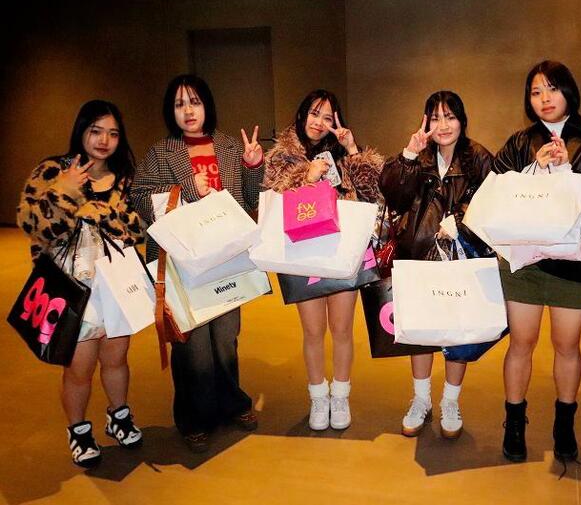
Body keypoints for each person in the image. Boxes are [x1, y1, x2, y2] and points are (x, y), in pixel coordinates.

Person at [493, 60, 581, 463]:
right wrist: (534, 168)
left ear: (569, 91)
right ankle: (514, 422)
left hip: (571, 261)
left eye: (552, 89)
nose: (544, 98)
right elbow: (496, 189)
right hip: (524, 259)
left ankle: (565, 423)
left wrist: (568, 172)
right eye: (535, 92)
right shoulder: (520, 141)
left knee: (567, 345)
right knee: (521, 343)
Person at [130, 75, 264, 452]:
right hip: (182, 263)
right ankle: (193, 417)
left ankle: (232, 403)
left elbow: (251, 199)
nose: (188, 111)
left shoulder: (228, 146)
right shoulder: (161, 152)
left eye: (195, 102)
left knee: (225, 339)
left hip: (225, 258)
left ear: (207, 105)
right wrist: (190, 189)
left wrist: (252, 166)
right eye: (179, 104)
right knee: (192, 345)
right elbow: (139, 197)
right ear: (170, 111)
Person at [17, 100, 144, 467]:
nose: (104, 140)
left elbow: (137, 227)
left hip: (116, 283)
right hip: (73, 288)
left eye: (113, 133)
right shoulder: (52, 171)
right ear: (81, 130)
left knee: (117, 358)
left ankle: (119, 415)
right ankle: (78, 430)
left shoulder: (123, 177)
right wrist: (65, 190)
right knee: (79, 368)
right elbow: (32, 225)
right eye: (96, 131)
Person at [263, 89, 383, 431]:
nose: (319, 122)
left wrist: (352, 150)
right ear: (303, 114)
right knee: (313, 331)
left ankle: (340, 395)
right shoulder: (282, 155)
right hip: (302, 253)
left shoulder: (342, 155)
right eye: (314, 114)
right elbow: (272, 199)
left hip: (341, 250)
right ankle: (318, 396)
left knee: (342, 329)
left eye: (327, 117)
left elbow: (373, 195)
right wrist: (307, 176)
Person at [379, 90, 493, 439]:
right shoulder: (419, 156)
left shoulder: (478, 157)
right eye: (435, 118)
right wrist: (408, 155)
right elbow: (393, 196)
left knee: (458, 331)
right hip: (416, 256)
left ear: (462, 120)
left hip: (460, 256)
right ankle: (421, 399)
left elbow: (491, 201)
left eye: (450, 117)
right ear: (426, 122)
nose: (443, 125)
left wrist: (460, 220)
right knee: (421, 332)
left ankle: (450, 401)